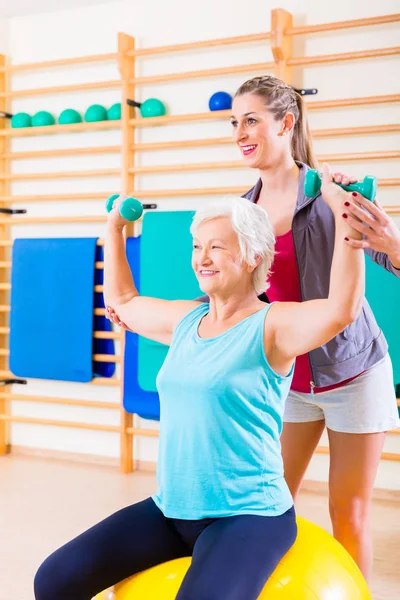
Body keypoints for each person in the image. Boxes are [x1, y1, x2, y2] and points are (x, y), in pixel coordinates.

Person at [34, 166, 364, 600]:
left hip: (250, 515)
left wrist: (347, 222)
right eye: (196, 247)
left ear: (250, 256)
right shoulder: (186, 321)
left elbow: (340, 309)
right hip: (171, 509)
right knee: (55, 580)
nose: (201, 257)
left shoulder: (273, 326)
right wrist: (114, 228)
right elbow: (124, 302)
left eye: (216, 247)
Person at [228, 74, 400, 580]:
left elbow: (393, 257)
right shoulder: (243, 211)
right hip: (288, 380)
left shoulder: (333, 189)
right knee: (268, 508)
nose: (240, 131)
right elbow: (236, 293)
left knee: (347, 514)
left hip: (355, 374)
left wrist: (387, 236)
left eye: (251, 119)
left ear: (286, 122)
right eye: (234, 122)